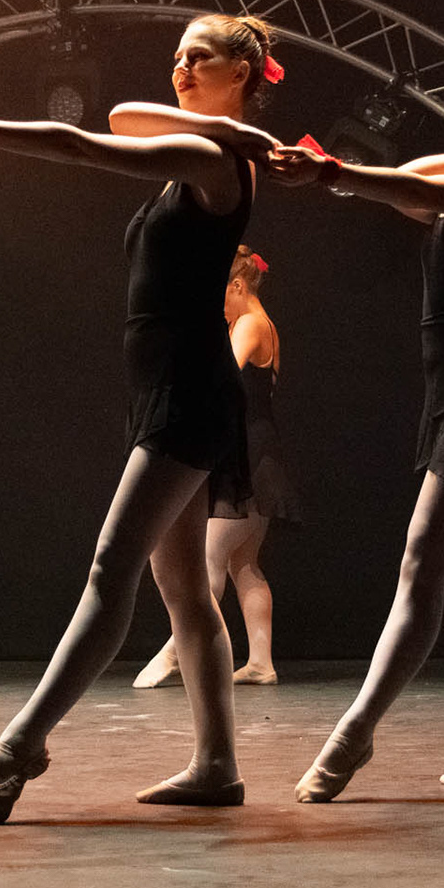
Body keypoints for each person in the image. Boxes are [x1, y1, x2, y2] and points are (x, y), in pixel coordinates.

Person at [0, 12, 280, 824]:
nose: (180, 67)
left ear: (241, 73)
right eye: (177, 56)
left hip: (190, 393)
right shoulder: (206, 148)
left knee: (112, 568)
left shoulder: (213, 159)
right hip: (164, 390)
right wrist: (225, 121)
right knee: (183, 587)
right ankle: (217, 765)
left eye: (199, 57)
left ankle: (22, 741)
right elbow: (125, 117)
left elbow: (90, 142)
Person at [266, 50, 444, 801]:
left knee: (421, 563)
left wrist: (334, 171)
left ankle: (354, 733)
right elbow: (418, 181)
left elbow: (416, 187)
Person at [135, 244, 298, 688]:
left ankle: (174, 652)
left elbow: (221, 375)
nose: (218, 309)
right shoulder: (265, 324)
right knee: (244, 564)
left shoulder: (250, 324)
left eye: (219, 296)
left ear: (238, 286)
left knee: (209, 559)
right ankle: (261, 662)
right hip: (260, 456)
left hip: (249, 459)